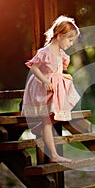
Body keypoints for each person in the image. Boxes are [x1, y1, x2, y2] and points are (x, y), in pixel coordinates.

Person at [22, 15, 80, 163]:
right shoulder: (45, 51)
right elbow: (34, 68)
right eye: (70, 40)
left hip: (54, 90)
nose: (71, 44)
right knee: (48, 121)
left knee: (52, 118)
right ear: (60, 35)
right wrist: (45, 80)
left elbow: (58, 71)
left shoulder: (61, 53)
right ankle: (54, 155)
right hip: (43, 88)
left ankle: (40, 130)